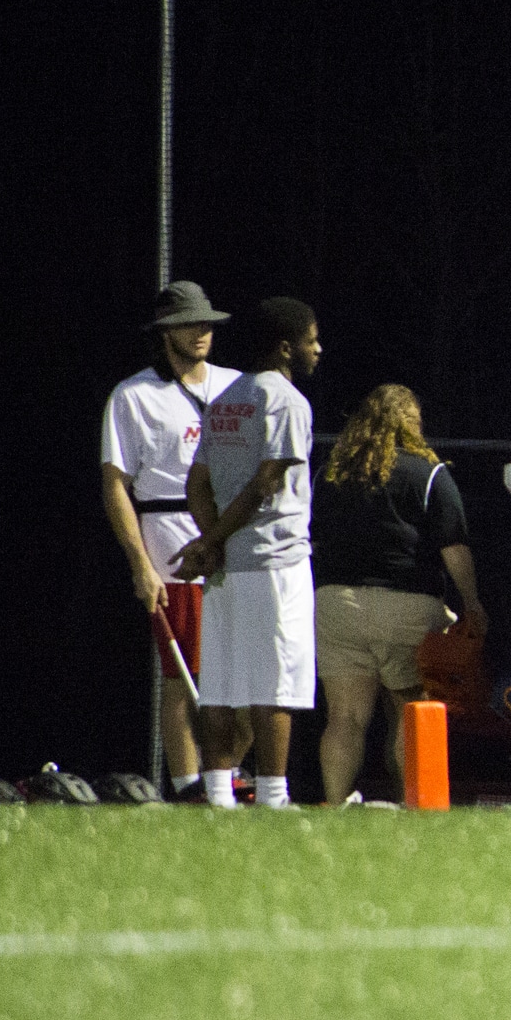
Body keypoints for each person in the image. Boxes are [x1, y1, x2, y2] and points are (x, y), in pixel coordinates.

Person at [175, 297, 323, 809]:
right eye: (311, 340)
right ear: (285, 348)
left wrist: (211, 541)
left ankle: (218, 794)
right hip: (274, 561)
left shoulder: (225, 398)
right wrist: (212, 541)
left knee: (220, 685)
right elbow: (266, 481)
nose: (317, 350)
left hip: (226, 569)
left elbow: (197, 483)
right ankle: (273, 796)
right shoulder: (285, 400)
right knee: (273, 685)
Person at [100, 280, 245, 799]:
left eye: (206, 322)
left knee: (243, 679)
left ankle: (225, 779)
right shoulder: (134, 395)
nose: (201, 332)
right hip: (170, 538)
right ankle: (188, 789)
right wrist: (140, 562)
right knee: (184, 678)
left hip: (235, 536)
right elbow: (116, 483)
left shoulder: (237, 386)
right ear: (165, 333)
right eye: (189, 323)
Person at [311, 384, 486, 805]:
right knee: (411, 713)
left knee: (345, 718)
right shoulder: (427, 473)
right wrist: (472, 603)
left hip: (335, 604)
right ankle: (416, 805)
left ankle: (333, 805)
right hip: (405, 606)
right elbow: (454, 548)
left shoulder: (329, 473)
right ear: (413, 425)